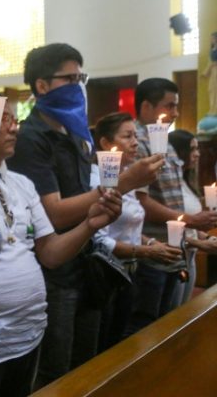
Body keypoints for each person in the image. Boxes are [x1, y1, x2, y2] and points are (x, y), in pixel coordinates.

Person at [7, 43, 163, 387]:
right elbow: (54, 215)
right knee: (56, 372)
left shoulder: (77, 135)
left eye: (82, 77)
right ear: (42, 85)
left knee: (88, 364)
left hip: (86, 261)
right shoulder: (31, 138)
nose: (79, 86)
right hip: (54, 268)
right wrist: (121, 185)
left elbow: (89, 198)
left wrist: (111, 202)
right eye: (70, 78)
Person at [0, 93, 122, 397]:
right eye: (4, 119)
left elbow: (50, 253)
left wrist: (88, 226)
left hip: (28, 336)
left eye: (15, 119)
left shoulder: (21, 184)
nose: (14, 128)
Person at [128, 78, 217, 336]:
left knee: (168, 324)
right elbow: (141, 201)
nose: (176, 113)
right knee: (145, 329)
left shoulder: (163, 141)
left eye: (176, 106)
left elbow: (171, 194)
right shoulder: (138, 142)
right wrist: (190, 220)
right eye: (170, 106)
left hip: (174, 248)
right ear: (146, 106)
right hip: (153, 248)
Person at [92, 113, 182, 350]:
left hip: (131, 271)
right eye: (127, 136)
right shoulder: (96, 180)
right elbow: (101, 241)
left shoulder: (128, 178)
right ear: (105, 144)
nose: (135, 142)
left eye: (135, 135)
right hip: (106, 275)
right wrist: (146, 252)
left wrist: (151, 243)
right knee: (106, 344)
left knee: (127, 341)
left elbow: (130, 228)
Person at [168, 129, 203, 306]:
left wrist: (206, 237)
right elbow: (174, 226)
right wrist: (200, 242)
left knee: (185, 309)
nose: (197, 154)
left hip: (190, 256)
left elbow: (191, 224)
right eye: (192, 149)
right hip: (177, 257)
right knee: (172, 314)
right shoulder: (170, 184)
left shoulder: (185, 180)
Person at [201, 31, 217, 115]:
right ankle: (213, 109)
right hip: (213, 72)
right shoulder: (211, 51)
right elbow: (209, 63)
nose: (211, 40)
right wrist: (205, 73)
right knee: (211, 90)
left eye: (213, 38)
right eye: (211, 38)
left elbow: (212, 63)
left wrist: (214, 64)